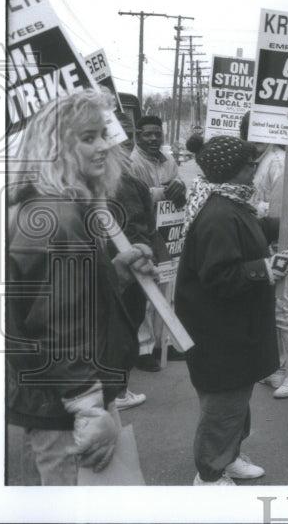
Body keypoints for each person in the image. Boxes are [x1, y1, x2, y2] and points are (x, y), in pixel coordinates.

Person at [6, 90, 159, 485]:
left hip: (59, 398)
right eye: (87, 137)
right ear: (56, 145)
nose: (103, 147)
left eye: (102, 136)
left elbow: (66, 299)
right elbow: (57, 325)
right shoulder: (56, 215)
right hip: (66, 406)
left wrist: (117, 272)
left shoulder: (56, 205)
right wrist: (89, 407)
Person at [173, 135, 288, 485]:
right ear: (231, 171)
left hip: (230, 327)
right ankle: (209, 474)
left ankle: (230, 455)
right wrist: (266, 270)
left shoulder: (228, 202)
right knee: (222, 404)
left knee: (236, 397)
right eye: (247, 164)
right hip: (218, 330)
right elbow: (219, 276)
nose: (254, 169)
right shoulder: (218, 215)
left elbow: (254, 225)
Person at [238, 111, 288, 399]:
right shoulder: (255, 160)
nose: (254, 142)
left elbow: (283, 207)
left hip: (276, 239)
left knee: (283, 306)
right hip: (257, 239)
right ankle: (277, 366)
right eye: (249, 135)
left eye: (258, 135)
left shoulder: (278, 161)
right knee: (271, 306)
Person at [109, 111, 172, 411]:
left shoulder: (124, 178)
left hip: (116, 266)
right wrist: (146, 258)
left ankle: (116, 388)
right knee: (123, 328)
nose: (123, 139)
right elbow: (135, 227)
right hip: (123, 269)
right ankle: (116, 392)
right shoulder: (121, 181)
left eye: (126, 133)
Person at [126, 114, 187, 372]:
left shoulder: (168, 160)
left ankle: (165, 343)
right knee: (146, 292)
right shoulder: (132, 162)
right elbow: (132, 195)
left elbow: (179, 185)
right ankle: (144, 348)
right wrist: (162, 191)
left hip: (168, 231)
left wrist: (179, 186)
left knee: (167, 287)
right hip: (144, 232)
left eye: (157, 134)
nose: (153, 138)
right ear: (137, 135)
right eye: (147, 134)